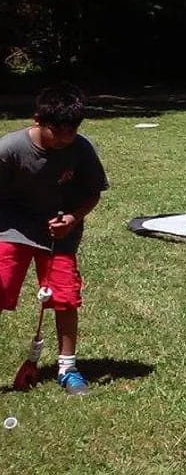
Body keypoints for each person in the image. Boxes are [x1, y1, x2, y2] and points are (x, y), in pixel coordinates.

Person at [0, 83, 109, 394]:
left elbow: (93, 192)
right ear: (38, 120)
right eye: (57, 131)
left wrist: (73, 219)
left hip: (59, 231)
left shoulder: (81, 148)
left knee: (64, 297)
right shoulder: (9, 149)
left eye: (72, 131)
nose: (65, 139)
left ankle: (67, 367)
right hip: (12, 227)